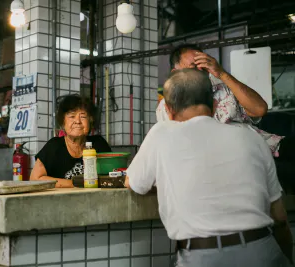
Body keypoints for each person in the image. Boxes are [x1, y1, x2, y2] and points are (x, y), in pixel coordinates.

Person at [126, 69, 293, 267]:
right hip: (263, 252)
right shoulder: (252, 138)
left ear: (168, 111)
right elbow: (280, 218)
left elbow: (134, 183)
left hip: (202, 258)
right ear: (214, 106)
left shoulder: (162, 132)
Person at [156, 44, 288, 159]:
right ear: (176, 73)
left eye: (204, 65)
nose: (201, 70)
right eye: (194, 67)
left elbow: (260, 109)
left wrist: (222, 73)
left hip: (255, 152)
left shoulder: (225, 87)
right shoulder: (168, 105)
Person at [30, 94, 111, 188]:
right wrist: (75, 184)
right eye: (72, 116)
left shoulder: (99, 144)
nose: (77, 121)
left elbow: (113, 175)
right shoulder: (54, 146)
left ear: (90, 121)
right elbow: (35, 179)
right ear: (63, 122)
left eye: (83, 116)